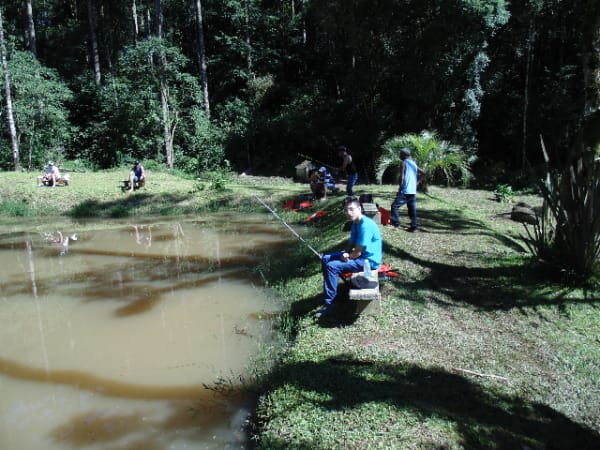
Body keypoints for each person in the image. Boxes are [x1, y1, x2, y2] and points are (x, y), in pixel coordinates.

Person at [316, 196, 382, 318]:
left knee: (331, 266)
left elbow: (357, 252)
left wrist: (348, 257)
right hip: (360, 256)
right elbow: (351, 243)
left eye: (351, 209)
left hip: (369, 262)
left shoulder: (365, 226)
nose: (348, 213)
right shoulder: (355, 223)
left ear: (359, 208)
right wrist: (345, 253)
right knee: (325, 258)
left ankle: (329, 304)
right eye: (346, 210)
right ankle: (330, 292)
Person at [389, 147, 421, 232]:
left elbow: (402, 177)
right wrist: (416, 184)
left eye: (400, 154)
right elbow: (424, 173)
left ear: (404, 155)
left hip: (405, 190)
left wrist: (400, 189)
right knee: (412, 209)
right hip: (412, 191)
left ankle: (396, 225)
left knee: (394, 206)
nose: (399, 155)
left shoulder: (403, 162)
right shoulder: (414, 163)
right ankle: (413, 227)